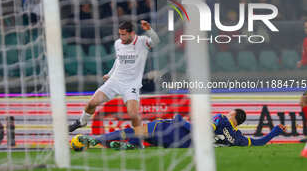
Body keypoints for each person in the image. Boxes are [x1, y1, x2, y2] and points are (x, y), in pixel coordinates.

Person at [68, 20, 160, 148]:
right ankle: (82, 121)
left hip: (131, 85)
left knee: (133, 115)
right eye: (120, 34)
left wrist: (149, 29)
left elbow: (156, 41)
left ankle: (139, 142)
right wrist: (110, 74)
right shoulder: (118, 43)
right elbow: (118, 61)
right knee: (91, 103)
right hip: (115, 81)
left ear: (131, 33)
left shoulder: (142, 41)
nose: (121, 38)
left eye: (123, 35)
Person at [77, 109, 286, 150]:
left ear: (232, 116)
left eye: (229, 112)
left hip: (179, 132)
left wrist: (180, 120)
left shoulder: (220, 119)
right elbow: (259, 142)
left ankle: (96, 139)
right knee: (145, 138)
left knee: (135, 130)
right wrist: (276, 131)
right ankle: (130, 147)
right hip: (184, 145)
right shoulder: (238, 138)